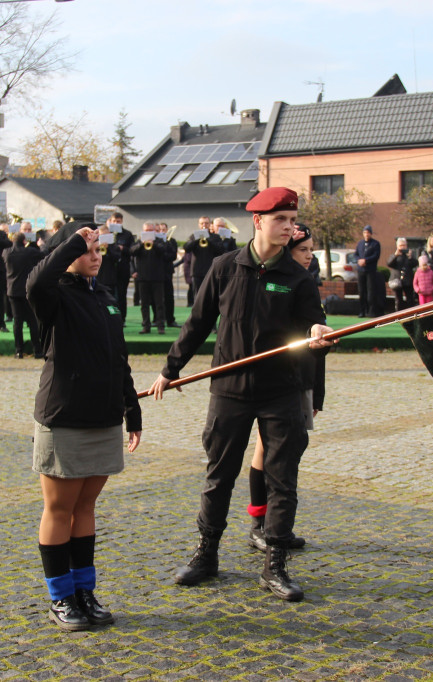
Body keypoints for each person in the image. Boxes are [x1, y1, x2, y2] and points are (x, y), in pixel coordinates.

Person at [148, 187, 333, 602]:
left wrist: (320, 337)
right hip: (229, 390)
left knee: (282, 481)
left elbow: (313, 327)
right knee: (219, 476)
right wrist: (170, 369)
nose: (289, 227)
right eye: (281, 220)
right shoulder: (224, 267)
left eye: (293, 220)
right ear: (258, 221)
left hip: (282, 392)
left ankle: (275, 566)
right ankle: (206, 555)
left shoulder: (298, 278)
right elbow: (197, 323)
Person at [27, 226, 142, 631]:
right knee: (59, 509)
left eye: (98, 250)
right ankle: (60, 597)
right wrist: (73, 241)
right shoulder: (54, 295)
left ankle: (84, 592)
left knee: (86, 508)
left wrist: (131, 409)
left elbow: (118, 358)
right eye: (87, 250)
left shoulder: (106, 297)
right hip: (65, 418)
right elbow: (35, 281)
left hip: (103, 417)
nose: (96, 257)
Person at [245, 224, 324, 552]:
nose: (309, 256)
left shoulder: (306, 281)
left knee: (291, 450)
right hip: (275, 381)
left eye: (311, 250)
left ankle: (278, 525)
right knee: (266, 448)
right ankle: (259, 523)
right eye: (303, 250)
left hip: (300, 379)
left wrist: (317, 392)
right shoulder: (274, 282)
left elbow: (317, 348)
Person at [5, 227, 44, 359]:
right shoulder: (29, 252)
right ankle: (37, 350)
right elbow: (43, 254)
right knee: (32, 321)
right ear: (24, 241)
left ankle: (18, 350)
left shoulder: (6, 252)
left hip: (13, 290)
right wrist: (41, 245)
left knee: (17, 322)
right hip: (27, 290)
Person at [130, 221, 173, 335]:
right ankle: (146, 326)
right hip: (143, 277)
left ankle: (160, 326)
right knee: (144, 304)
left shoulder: (159, 241)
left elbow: (163, 251)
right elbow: (132, 251)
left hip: (157, 277)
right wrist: (141, 244)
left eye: (150, 230)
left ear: (154, 231)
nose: (148, 232)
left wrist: (153, 244)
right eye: (146, 230)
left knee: (159, 303)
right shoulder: (139, 241)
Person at [184, 216, 225, 303]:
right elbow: (187, 248)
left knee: (211, 297)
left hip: (211, 270)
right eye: (202, 223)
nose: (204, 225)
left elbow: (221, 250)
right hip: (196, 272)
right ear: (199, 225)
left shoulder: (215, 237)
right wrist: (197, 239)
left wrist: (208, 239)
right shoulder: (194, 236)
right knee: (197, 297)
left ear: (210, 224)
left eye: (206, 223)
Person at [353, 225, 382, 317]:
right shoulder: (360, 243)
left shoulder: (375, 244)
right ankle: (362, 311)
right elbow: (356, 254)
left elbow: (376, 255)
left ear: (371, 233)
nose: (366, 234)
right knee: (361, 291)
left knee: (371, 291)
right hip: (361, 270)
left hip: (370, 270)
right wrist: (359, 260)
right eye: (365, 232)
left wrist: (366, 260)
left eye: (368, 232)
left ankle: (371, 311)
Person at [386, 237, 418, 311]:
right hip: (397, 281)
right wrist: (395, 255)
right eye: (401, 245)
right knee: (398, 299)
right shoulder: (394, 255)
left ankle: (410, 314)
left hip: (408, 280)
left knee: (410, 299)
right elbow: (389, 264)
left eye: (404, 245)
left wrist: (410, 257)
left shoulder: (409, 256)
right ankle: (399, 314)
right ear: (397, 246)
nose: (403, 247)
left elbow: (415, 263)